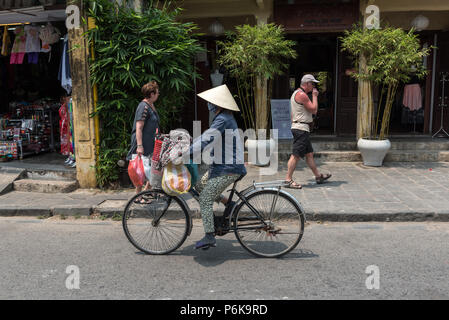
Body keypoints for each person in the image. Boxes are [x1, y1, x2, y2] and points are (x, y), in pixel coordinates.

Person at [189, 84, 247, 250]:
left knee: (205, 198)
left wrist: (187, 153)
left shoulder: (223, 119)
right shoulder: (224, 117)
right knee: (199, 186)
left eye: (211, 102)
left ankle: (209, 236)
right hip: (221, 166)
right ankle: (229, 203)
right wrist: (191, 145)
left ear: (219, 104)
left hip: (228, 169)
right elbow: (207, 138)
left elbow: (207, 139)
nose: (209, 105)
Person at [285, 74, 331, 189]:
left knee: (309, 154)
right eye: (313, 84)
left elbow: (292, 114)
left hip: (300, 127)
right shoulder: (302, 95)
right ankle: (288, 180)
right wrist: (315, 96)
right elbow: (314, 110)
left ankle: (318, 176)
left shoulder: (295, 93)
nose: (314, 86)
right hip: (301, 129)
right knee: (295, 155)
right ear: (307, 84)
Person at [127, 81, 160, 197]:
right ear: (151, 94)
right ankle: (138, 196)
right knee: (140, 169)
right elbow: (139, 127)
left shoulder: (150, 105)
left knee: (152, 169)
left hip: (151, 143)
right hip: (142, 143)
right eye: (157, 92)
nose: (158, 94)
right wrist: (140, 146)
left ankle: (147, 191)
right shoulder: (143, 107)